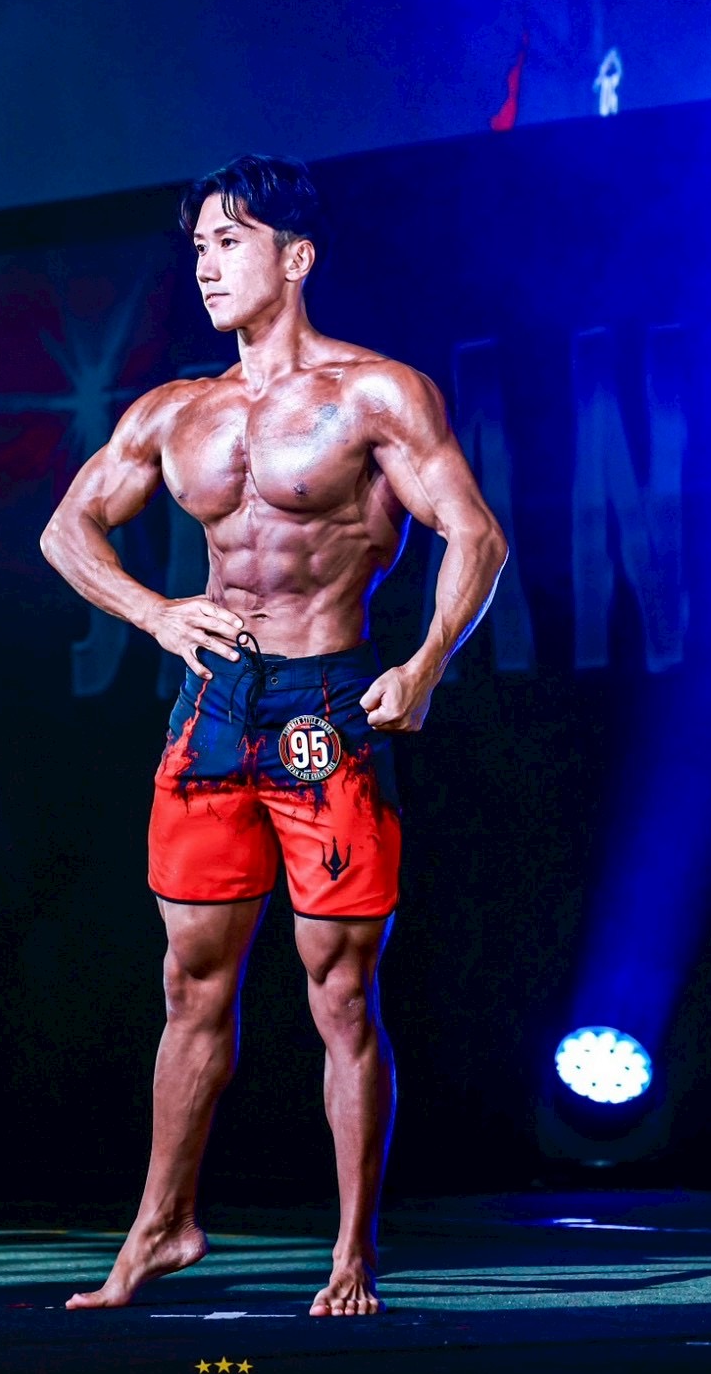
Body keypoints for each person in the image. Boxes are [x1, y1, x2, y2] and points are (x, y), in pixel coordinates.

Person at [40, 155, 508, 1315]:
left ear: (294, 257)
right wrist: (155, 612)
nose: (205, 265)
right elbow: (66, 529)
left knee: (337, 992)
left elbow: (476, 534)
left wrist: (425, 662)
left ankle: (352, 1253)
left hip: (324, 709)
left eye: (229, 242)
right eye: (198, 246)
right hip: (212, 711)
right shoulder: (176, 410)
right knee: (189, 981)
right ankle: (162, 1226)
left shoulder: (376, 393)